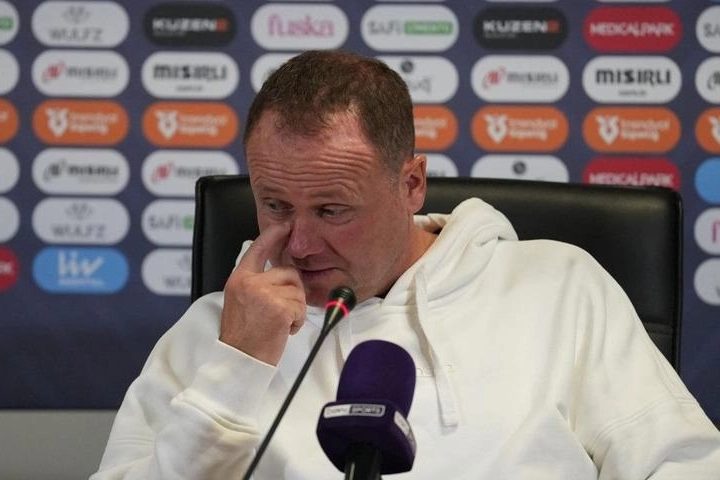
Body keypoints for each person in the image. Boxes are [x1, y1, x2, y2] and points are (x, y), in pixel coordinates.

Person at [92, 50, 720, 479]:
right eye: (276, 205)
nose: (299, 243)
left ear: (412, 184)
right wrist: (235, 371)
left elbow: (684, 464)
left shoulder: (557, 286)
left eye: (332, 210)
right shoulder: (218, 331)